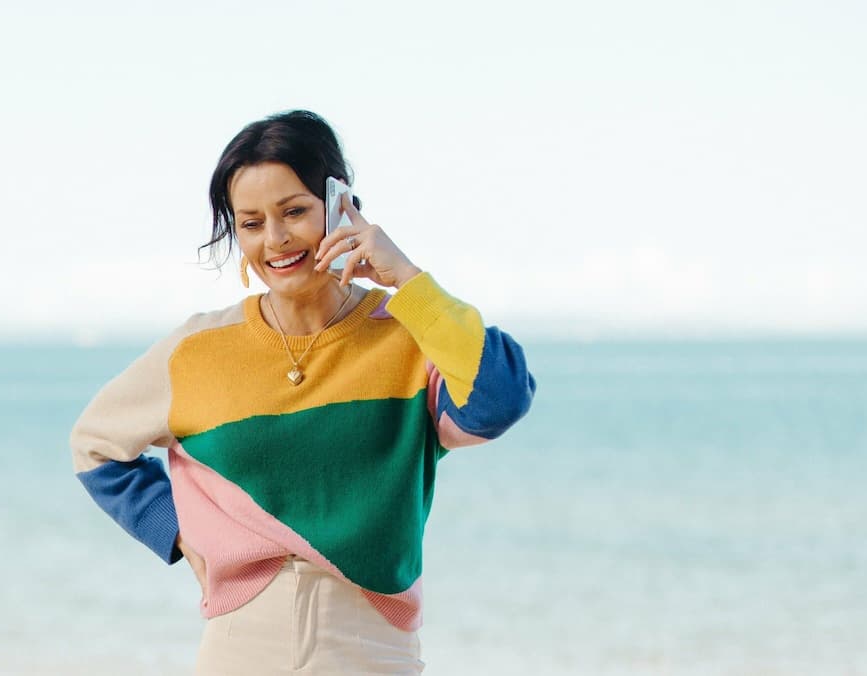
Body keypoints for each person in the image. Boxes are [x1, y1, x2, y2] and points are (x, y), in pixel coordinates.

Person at [67, 109, 537, 675]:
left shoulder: (410, 336)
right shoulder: (196, 349)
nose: (276, 239)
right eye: (251, 223)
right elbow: (94, 445)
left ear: (340, 206)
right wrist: (176, 531)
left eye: (294, 211)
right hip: (240, 646)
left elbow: (500, 400)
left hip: (372, 649)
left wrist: (407, 279)